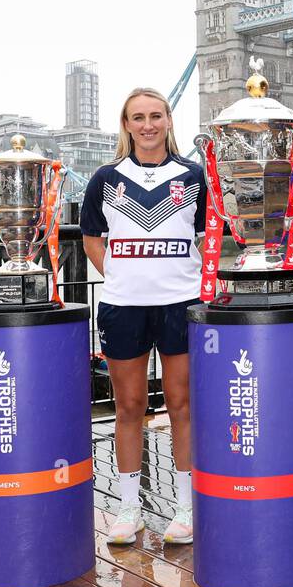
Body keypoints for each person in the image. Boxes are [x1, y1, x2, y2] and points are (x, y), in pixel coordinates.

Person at [80, 87, 205, 545]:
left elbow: (207, 238)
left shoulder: (194, 176)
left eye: (156, 115)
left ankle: (186, 509)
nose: (148, 124)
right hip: (124, 305)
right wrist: (123, 275)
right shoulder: (105, 178)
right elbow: (93, 238)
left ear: (169, 121)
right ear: (126, 125)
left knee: (182, 405)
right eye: (139, 117)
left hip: (182, 303)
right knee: (129, 407)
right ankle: (127, 508)